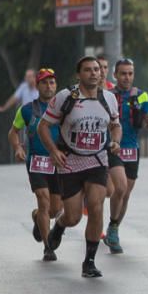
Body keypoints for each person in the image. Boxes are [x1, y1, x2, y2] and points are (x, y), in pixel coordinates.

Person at [39, 57, 121, 278]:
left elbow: (115, 125)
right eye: (88, 70)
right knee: (74, 216)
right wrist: (54, 151)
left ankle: (89, 262)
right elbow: (43, 126)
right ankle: (61, 224)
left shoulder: (109, 99)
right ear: (79, 74)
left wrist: (115, 141)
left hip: (97, 160)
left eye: (96, 69)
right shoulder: (66, 98)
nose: (94, 73)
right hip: (70, 160)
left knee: (96, 206)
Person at [8, 68, 62, 260]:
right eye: (45, 83)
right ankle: (48, 248)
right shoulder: (27, 110)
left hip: (58, 162)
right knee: (43, 198)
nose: (49, 86)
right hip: (36, 161)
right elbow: (13, 132)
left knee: (55, 210)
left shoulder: (64, 108)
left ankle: (38, 217)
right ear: (37, 86)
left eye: (52, 83)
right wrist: (18, 148)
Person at [104, 58, 148, 254]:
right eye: (123, 73)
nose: (127, 77)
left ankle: (113, 228)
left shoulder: (141, 95)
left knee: (125, 194)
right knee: (120, 187)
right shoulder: (107, 95)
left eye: (130, 73)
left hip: (132, 147)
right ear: (115, 75)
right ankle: (112, 227)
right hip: (113, 147)